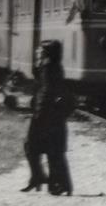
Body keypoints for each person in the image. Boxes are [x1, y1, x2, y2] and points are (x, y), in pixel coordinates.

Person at [22, 40, 74, 195]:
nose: (37, 52)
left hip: (45, 115)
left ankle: (45, 180)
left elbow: (46, 92)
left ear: (46, 53)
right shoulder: (54, 66)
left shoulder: (48, 68)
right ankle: (55, 183)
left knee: (33, 147)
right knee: (53, 150)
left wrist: (38, 113)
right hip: (53, 115)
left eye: (40, 50)